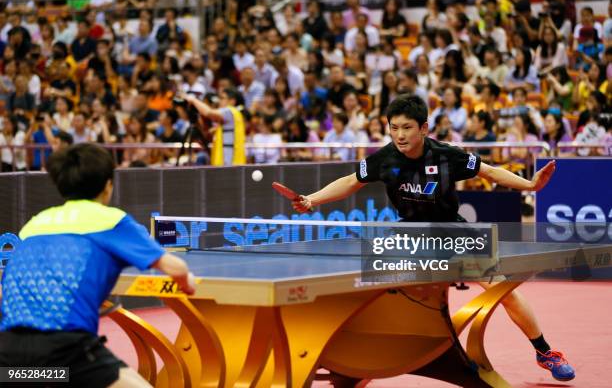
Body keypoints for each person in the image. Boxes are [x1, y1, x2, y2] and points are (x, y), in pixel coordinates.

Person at [292, 95, 575, 383]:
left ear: (424, 128)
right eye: (394, 128)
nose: (400, 135)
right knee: (363, 286)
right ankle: (350, 359)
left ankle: (545, 352)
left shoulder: (446, 155)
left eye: (407, 128)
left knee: (504, 291)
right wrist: (311, 200)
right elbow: (351, 181)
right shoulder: (384, 159)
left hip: (453, 231)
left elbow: (489, 172)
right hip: (409, 234)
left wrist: (529, 185)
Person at [0, 143, 196, 387]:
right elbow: (176, 268)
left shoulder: (34, 225)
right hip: (67, 351)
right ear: (108, 186)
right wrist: (187, 285)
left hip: (10, 356)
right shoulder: (111, 220)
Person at [182, 88, 247, 166]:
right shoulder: (235, 115)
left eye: (222, 98)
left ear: (232, 101)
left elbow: (208, 112)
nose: (219, 101)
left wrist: (193, 100)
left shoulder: (230, 111)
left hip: (228, 163)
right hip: (230, 163)